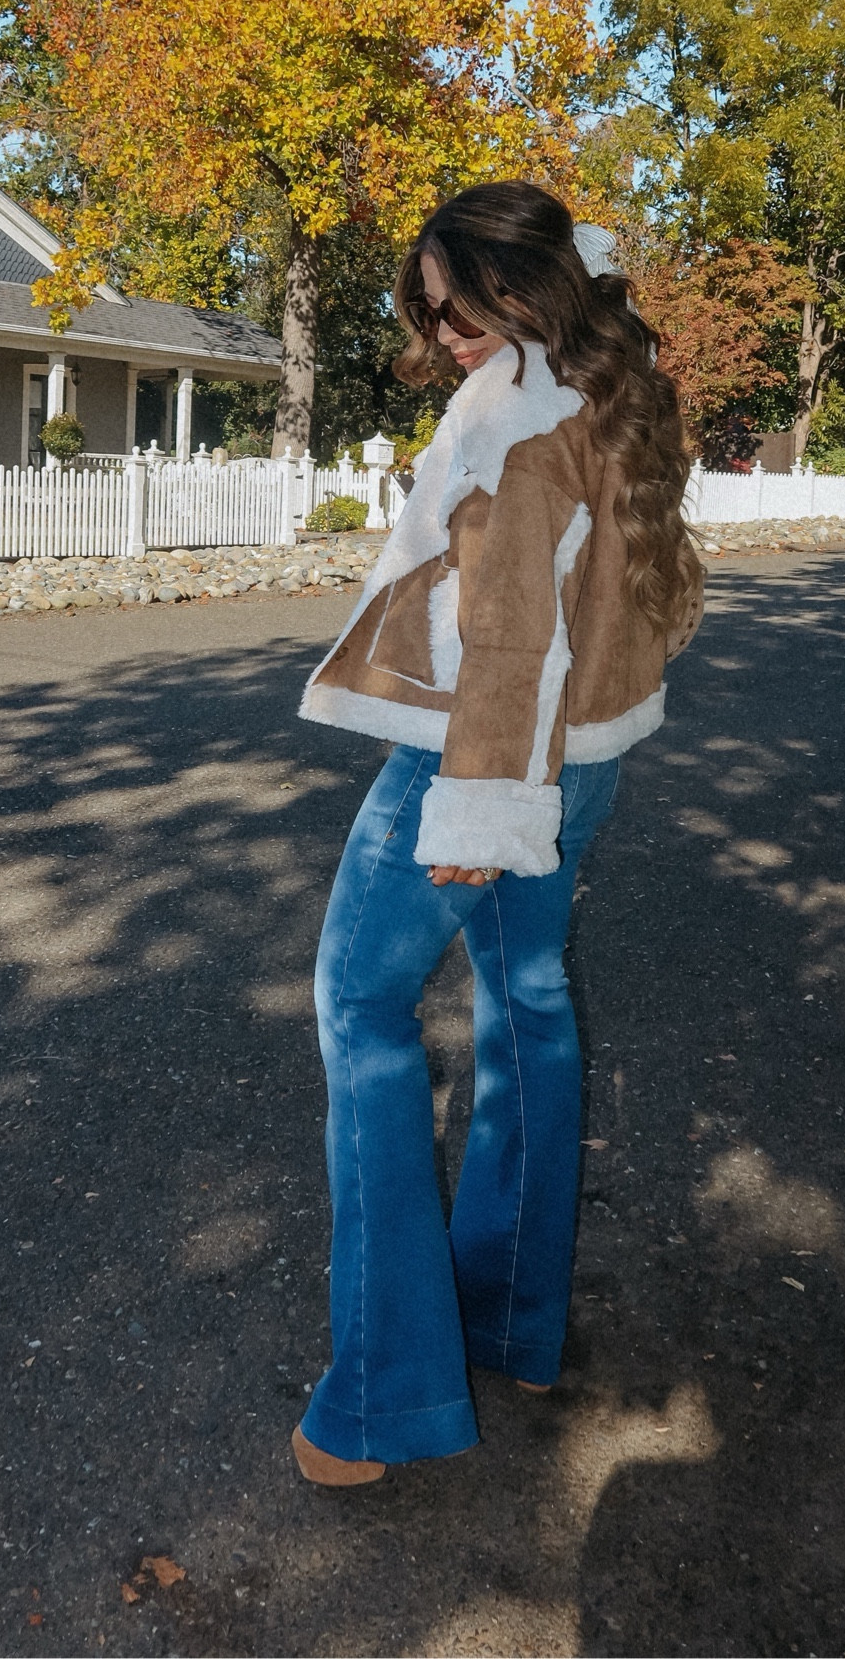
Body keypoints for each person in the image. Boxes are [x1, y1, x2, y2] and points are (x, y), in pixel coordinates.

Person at [292, 180, 703, 1485]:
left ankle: (378, 1400)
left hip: (476, 763)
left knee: (358, 1011)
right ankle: (505, 1322)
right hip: (575, 765)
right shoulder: (604, 391)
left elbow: (512, 631)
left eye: (454, 306)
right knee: (525, 1009)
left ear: (514, 291)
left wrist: (477, 805)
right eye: (430, 312)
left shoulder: (514, 411)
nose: (440, 331)